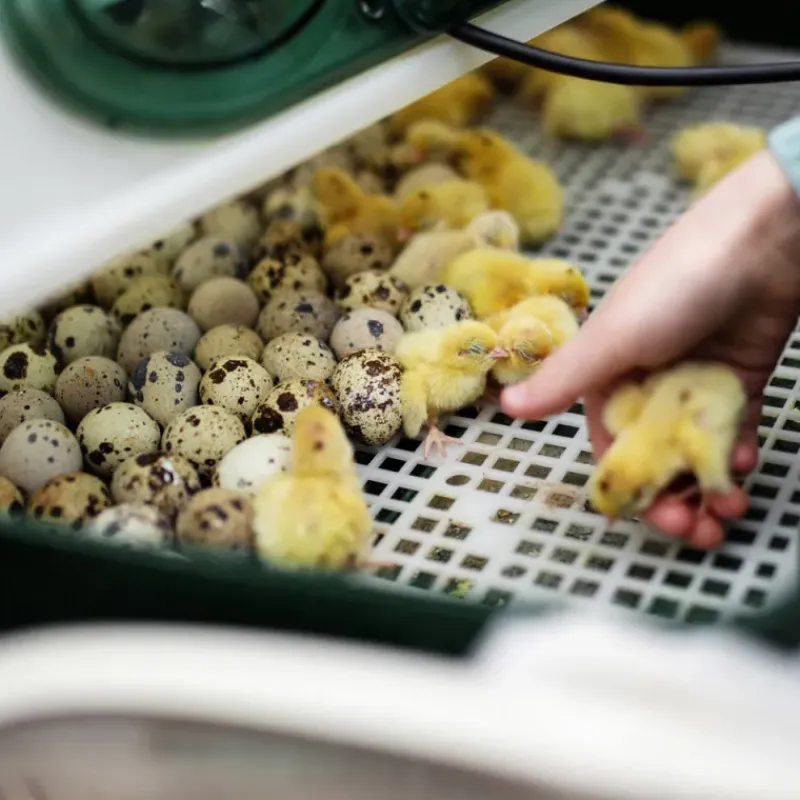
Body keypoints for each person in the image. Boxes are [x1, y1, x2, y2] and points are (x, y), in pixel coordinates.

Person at [501, 123, 800, 550]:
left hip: (709, 395)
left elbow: (706, 458)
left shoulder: (665, 437)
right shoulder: (626, 418)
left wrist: (713, 482)